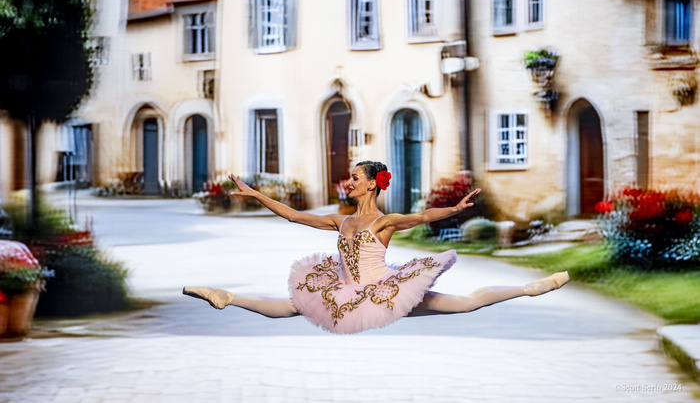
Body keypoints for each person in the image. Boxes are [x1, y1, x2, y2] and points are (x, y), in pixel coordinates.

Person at [183, 161, 569, 334]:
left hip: (384, 291)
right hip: (358, 293)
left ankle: (531, 287)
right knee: (288, 308)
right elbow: (294, 216)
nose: (347, 182)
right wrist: (255, 195)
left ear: (371, 184)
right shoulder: (342, 220)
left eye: (354, 177)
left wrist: (453, 208)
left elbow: (419, 217)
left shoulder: (381, 222)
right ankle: (226, 296)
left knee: (464, 303)